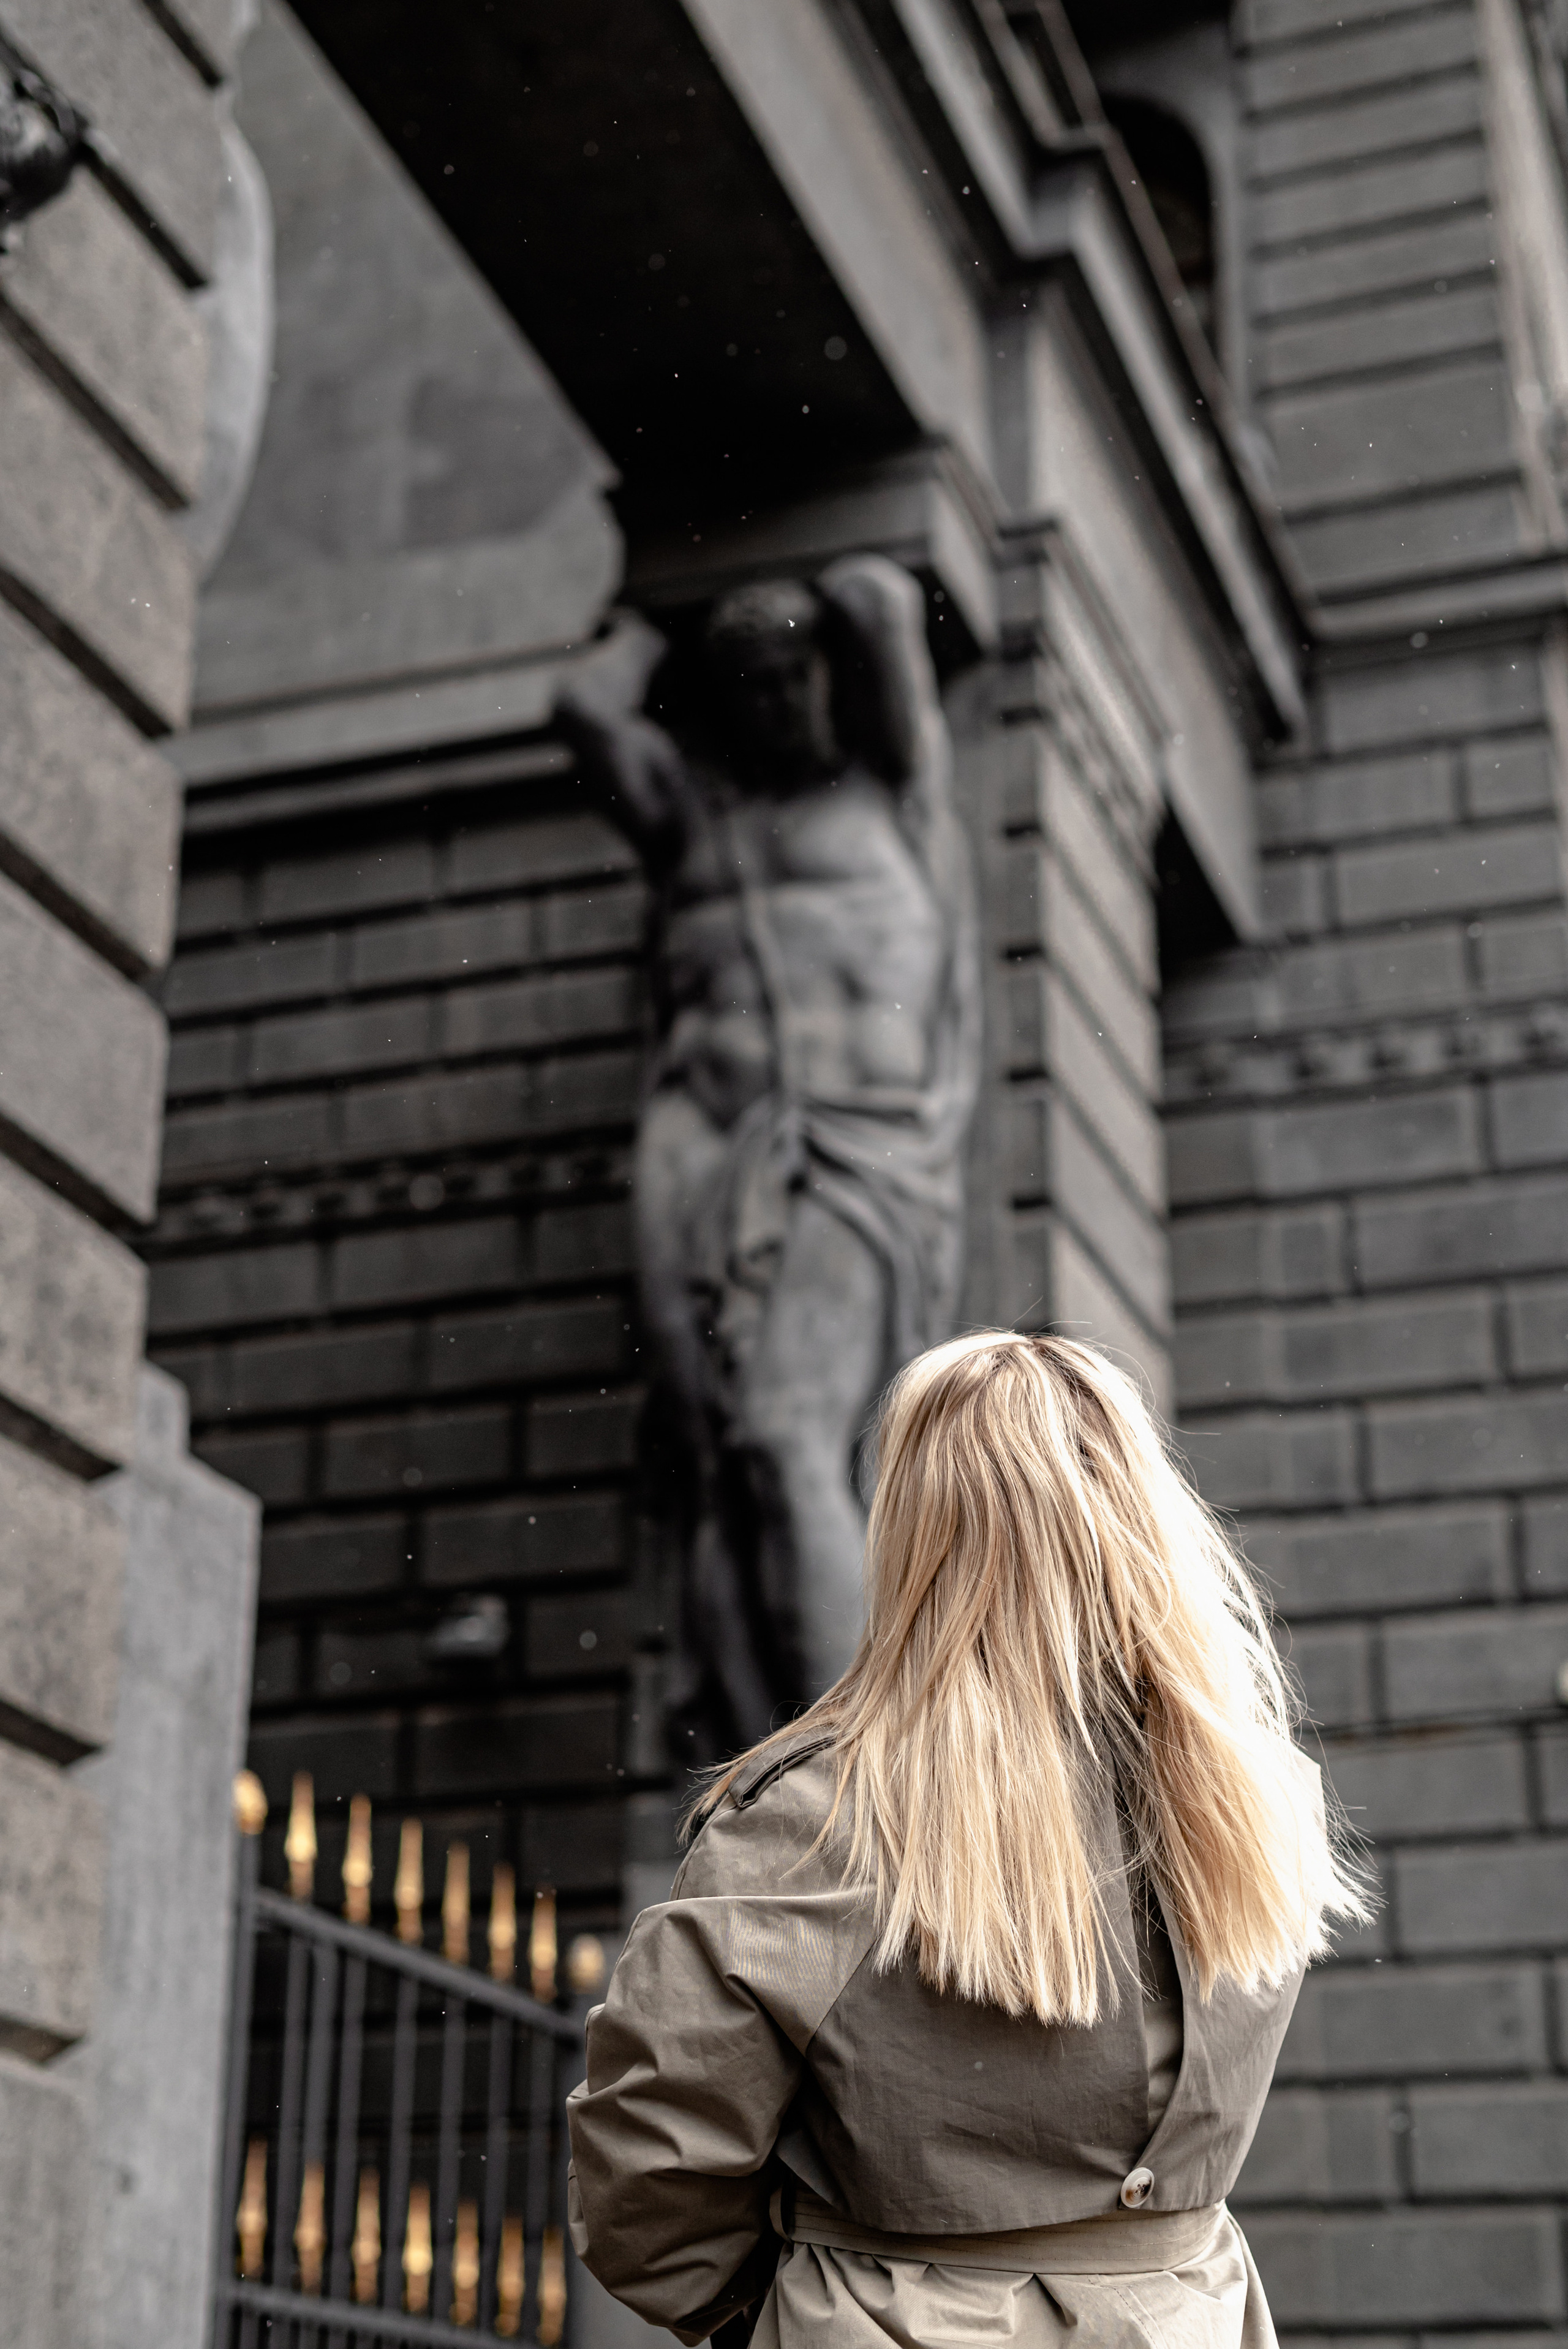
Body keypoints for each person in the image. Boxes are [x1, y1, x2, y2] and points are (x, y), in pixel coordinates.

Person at [567, 1331, 1370, 2349]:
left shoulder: (815, 1820)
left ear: (913, 1531)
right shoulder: (1257, 1798)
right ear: (1144, 1514)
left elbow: (648, 2175)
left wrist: (785, 2301)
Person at [556, 559, 980, 1752]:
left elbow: (882, 600)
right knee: (715, 1459)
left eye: (797, 672)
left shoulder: (894, 790)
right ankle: (758, 1735)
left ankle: (853, 1762)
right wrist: (650, 623)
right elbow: (581, 710)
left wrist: (820, 586)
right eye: (752, 681)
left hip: (860, 1148)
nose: (780, 699)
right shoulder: (694, 824)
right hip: (700, 1149)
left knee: (786, 1433)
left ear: (831, 675)